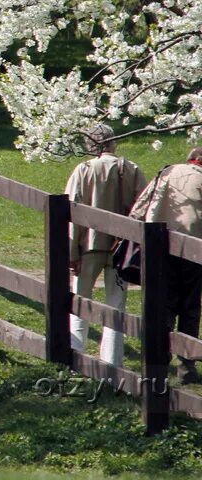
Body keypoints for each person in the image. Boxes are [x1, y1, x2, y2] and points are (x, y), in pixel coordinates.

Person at [66, 124, 145, 367]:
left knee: (80, 299)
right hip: (121, 249)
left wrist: (71, 253)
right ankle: (112, 361)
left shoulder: (83, 170)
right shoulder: (130, 168)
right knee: (116, 304)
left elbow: (72, 212)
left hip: (89, 245)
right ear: (113, 141)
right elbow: (143, 207)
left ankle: (74, 354)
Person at [129, 146, 202, 384]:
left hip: (159, 245)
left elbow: (140, 208)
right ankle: (186, 365)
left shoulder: (167, 172)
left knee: (165, 303)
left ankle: (159, 358)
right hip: (193, 250)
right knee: (190, 305)